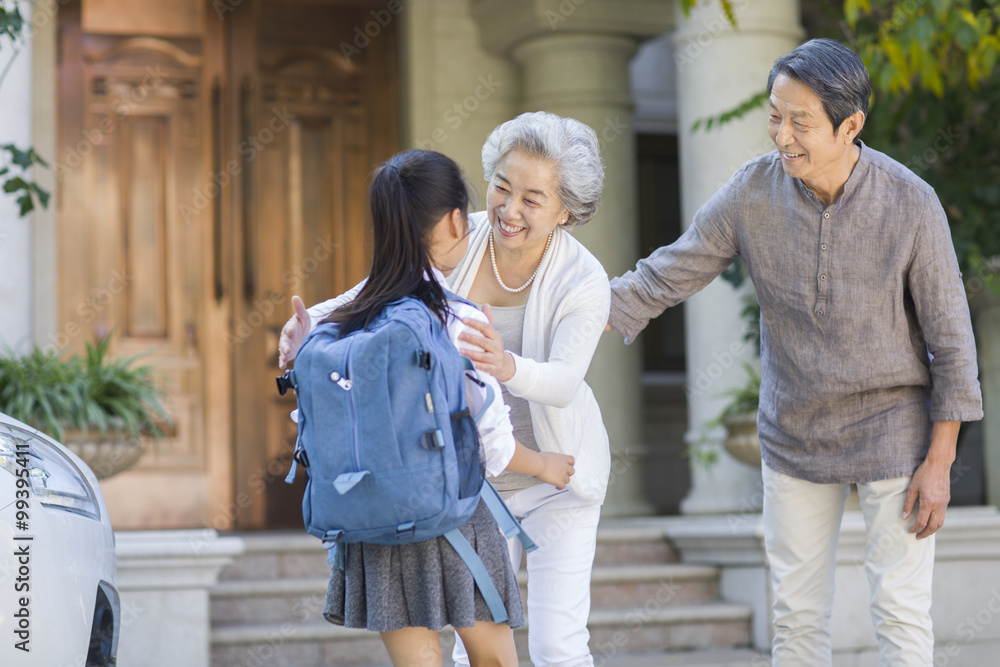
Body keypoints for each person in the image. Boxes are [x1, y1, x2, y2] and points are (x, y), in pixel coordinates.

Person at [607, 38, 983, 666]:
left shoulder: (911, 201)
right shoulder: (752, 192)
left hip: (895, 426)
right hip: (794, 431)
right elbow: (666, 275)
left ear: (851, 125)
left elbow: (952, 341)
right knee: (798, 614)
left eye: (800, 121)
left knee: (899, 608)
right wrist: (563, 306)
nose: (782, 136)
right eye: (775, 117)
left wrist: (940, 459)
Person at [280, 111, 611, 667]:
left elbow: (563, 381)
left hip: (558, 477)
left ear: (566, 210)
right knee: (472, 646)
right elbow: (371, 293)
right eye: (503, 187)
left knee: (558, 646)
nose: (509, 209)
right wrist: (305, 329)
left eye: (533, 198)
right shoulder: (460, 235)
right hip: (469, 482)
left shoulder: (584, 279)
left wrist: (505, 366)